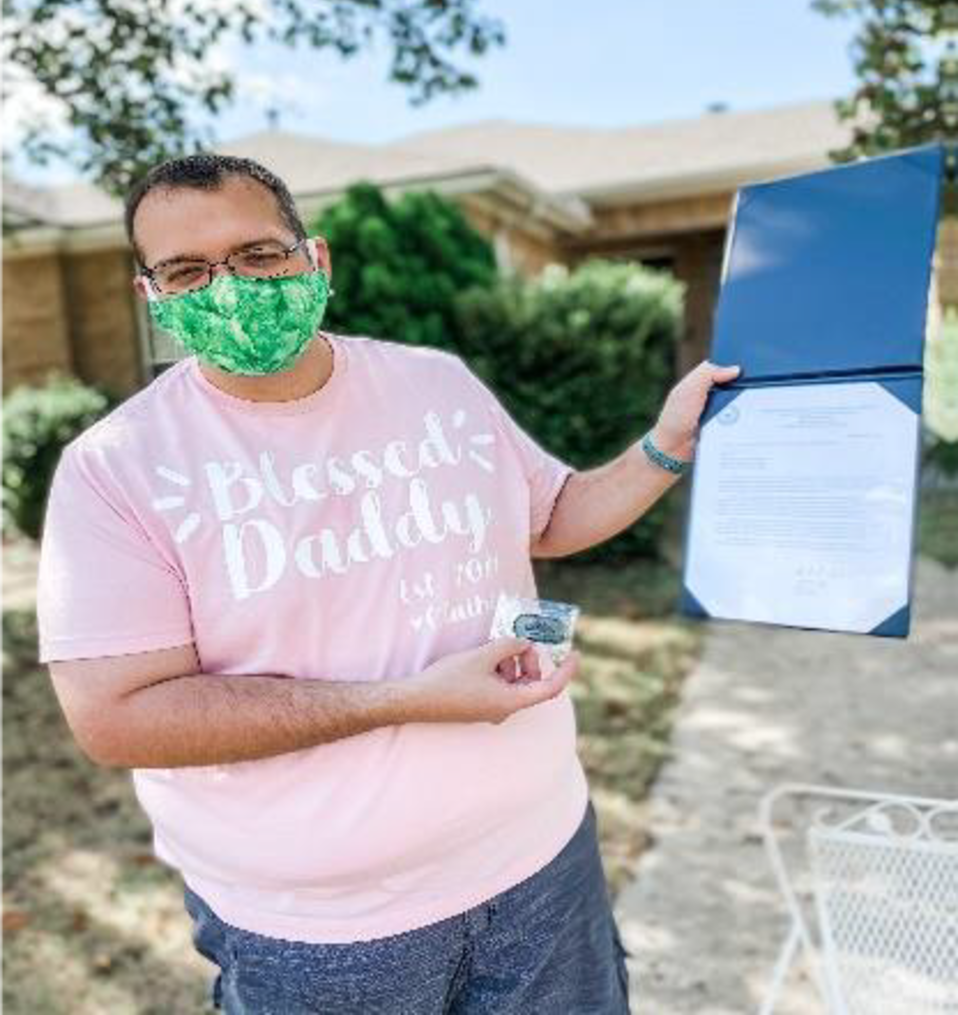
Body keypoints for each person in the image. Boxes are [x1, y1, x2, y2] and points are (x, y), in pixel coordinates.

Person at [35, 153, 740, 1014]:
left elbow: (553, 516)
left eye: (260, 255)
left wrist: (667, 444)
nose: (230, 288)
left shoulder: (433, 383)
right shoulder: (116, 469)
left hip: (543, 861)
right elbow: (116, 718)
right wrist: (401, 699)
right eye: (187, 270)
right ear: (154, 295)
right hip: (319, 934)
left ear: (315, 260)